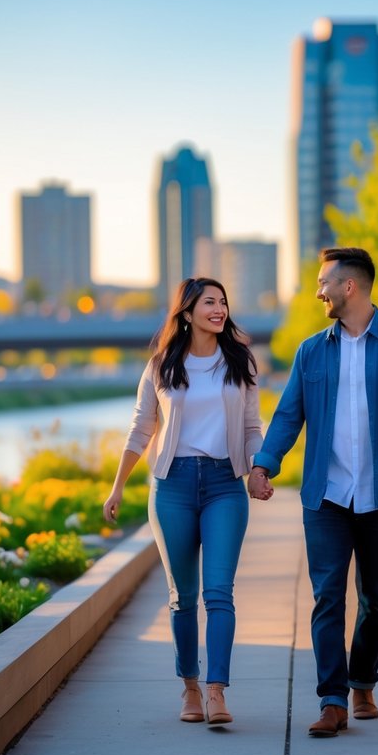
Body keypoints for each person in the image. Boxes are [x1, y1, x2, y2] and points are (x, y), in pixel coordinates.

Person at [247, 247, 378, 738]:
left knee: (375, 598)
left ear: (349, 286)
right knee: (327, 598)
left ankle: (362, 682)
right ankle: (332, 700)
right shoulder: (311, 351)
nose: (318, 292)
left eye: (323, 283)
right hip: (326, 497)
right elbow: (289, 413)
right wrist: (263, 464)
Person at [103, 277, 270, 726]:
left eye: (223, 302)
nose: (219, 309)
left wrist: (259, 468)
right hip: (172, 486)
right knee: (182, 597)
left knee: (219, 593)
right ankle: (190, 689)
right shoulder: (161, 366)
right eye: (209, 302)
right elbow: (141, 427)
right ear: (188, 311)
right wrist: (118, 485)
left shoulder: (239, 362)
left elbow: (253, 427)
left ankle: (217, 692)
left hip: (224, 486)